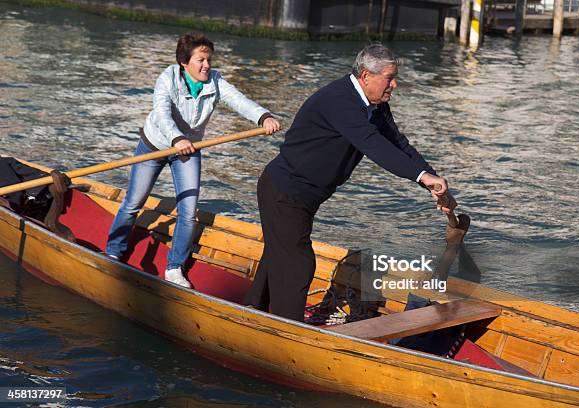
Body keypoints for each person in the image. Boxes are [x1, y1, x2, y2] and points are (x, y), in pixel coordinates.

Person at [243, 43, 456, 322]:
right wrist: (422, 177)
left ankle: (250, 312)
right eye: (389, 78)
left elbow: (398, 144)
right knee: (298, 265)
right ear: (366, 76)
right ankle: (286, 331)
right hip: (284, 192)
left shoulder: (376, 106)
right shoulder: (340, 101)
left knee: (278, 255)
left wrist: (430, 179)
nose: (395, 84)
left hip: (304, 197)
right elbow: (374, 145)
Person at [106, 32, 280, 288]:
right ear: (184, 63)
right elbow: (162, 113)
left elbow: (240, 101)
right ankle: (113, 251)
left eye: (208, 59)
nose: (207, 65)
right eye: (201, 60)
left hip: (189, 149)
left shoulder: (216, 81)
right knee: (134, 202)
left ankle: (174, 267)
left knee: (188, 213)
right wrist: (176, 139)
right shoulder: (167, 78)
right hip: (155, 144)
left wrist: (263, 117)